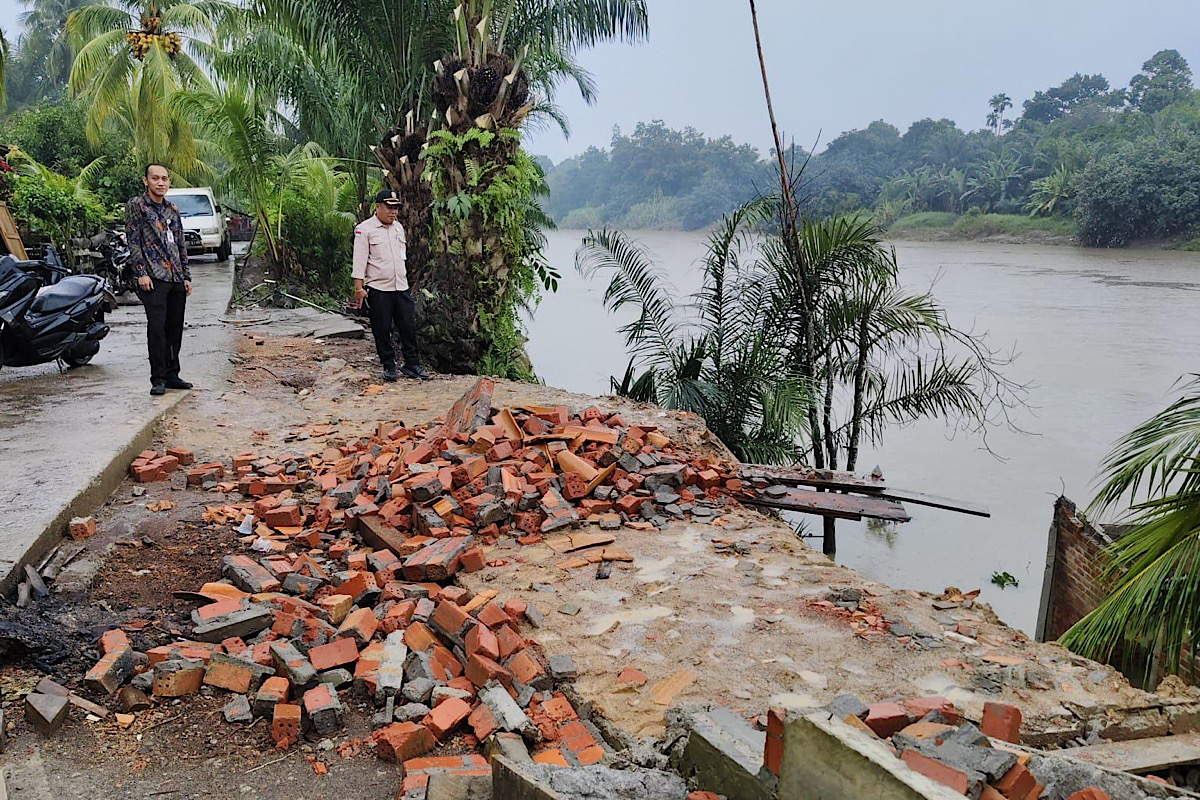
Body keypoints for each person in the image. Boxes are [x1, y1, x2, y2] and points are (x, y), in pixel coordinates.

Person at [126, 164, 192, 396]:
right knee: (157, 329)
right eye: (155, 178)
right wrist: (141, 272)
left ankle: (173, 374)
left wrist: (186, 276)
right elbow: (133, 241)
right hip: (153, 278)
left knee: (174, 328)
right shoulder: (137, 206)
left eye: (164, 179)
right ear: (146, 180)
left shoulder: (172, 209)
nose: (160, 183)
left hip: (175, 278)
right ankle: (159, 378)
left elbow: (180, 243)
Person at [351, 189, 429, 381]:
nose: (393, 212)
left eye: (396, 208)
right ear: (378, 207)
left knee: (408, 326)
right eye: (389, 207)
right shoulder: (365, 229)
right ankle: (389, 365)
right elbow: (359, 261)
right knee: (382, 328)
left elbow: (402, 257)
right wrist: (359, 289)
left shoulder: (398, 228)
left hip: (400, 286)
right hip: (379, 289)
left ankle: (412, 364)